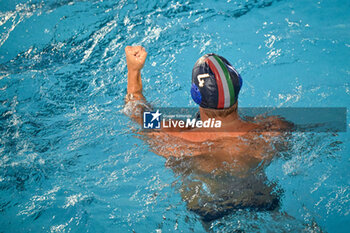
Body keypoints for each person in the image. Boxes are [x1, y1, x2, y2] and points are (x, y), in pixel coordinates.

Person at [123, 45, 291, 222]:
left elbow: (136, 112)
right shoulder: (273, 128)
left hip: (210, 208)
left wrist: (134, 70)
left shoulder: (174, 134)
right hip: (260, 200)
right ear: (238, 84)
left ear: (195, 95)